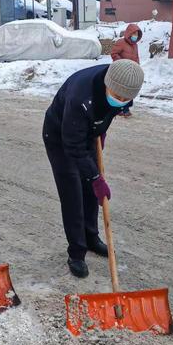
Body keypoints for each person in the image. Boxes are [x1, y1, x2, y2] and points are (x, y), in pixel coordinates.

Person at [43, 60, 144, 278]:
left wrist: (101, 131)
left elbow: (111, 110)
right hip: (61, 137)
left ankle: (91, 237)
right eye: (118, 97)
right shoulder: (81, 97)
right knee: (73, 193)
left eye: (127, 99)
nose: (122, 102)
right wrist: (96, 177)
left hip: (88, 132)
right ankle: (76, 252)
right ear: (108, 84)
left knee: (90, 191)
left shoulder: (121, 84)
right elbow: (73, 146)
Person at [111, 23, 142, 118]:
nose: (135, 36)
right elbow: (114, 53)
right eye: (134, 34)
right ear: (129, 33)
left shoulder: (135, 45)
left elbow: (136, 57)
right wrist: (121, 63)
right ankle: (124, 110)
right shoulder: (121, 42)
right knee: (121, 91)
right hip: (122, 70)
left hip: (131, 72)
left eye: (137, 34)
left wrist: (137, 66)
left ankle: (123, 109)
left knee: (129, 91)